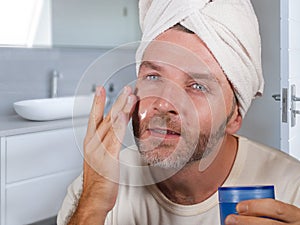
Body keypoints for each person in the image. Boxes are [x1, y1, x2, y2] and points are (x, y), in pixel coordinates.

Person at [58, 0, 300, 224]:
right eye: (153, 77)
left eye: (197, 86)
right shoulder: (96, 189)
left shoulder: (292, 190)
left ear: (234, 116)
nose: (164, 103)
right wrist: (92, 206)